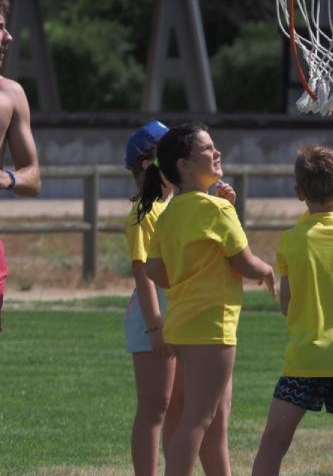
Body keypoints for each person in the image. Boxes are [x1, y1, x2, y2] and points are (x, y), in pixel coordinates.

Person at [141, 123, 276, 476]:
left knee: (213, 419)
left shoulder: (170, 212)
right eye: (207, 149)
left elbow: (154, 268)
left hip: (183, 323)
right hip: (212, 324)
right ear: (184, 165)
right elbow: (245, 263)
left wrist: (187, 280)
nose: (217, 153)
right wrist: (267, 270)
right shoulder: (217, 210)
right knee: (198, 418)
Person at [252, 145, 333, 476]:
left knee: (273, 443)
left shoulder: (292, 240)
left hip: (305, 360)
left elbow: (287, 305)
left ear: (299, 193)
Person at [124, 120, 185, 476]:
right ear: (149, 164)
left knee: (177, 407)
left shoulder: (177, 207)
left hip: (177, 319)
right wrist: (156, 327)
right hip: (152, 321)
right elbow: (143, 274)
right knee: (154, 407)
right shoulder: (143, 212)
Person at [0, 0, 42, 332]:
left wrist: (8, 178)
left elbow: (33, 176)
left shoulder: (11, 95)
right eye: (0, 27)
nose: (9, 36)